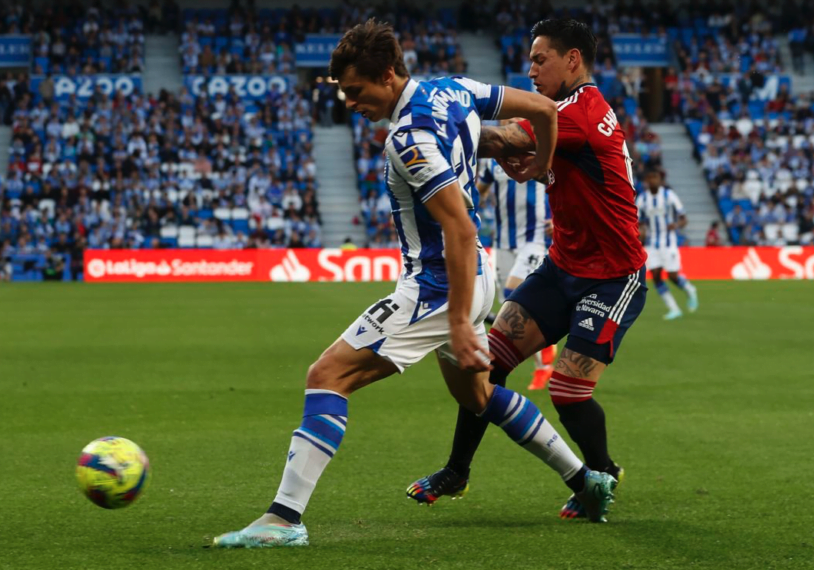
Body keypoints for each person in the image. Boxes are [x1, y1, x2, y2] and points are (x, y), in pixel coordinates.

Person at [212, 19, 616, 550]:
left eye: (357, 91)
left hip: (438, 285)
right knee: (479, 396)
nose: (351, 103)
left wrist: (459, 323)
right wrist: (540, 164)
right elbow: (542, 110)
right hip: (476, 274)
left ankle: (284, 519)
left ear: (387, 75)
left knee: (327, 375)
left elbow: (459, 225)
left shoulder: (411, 138)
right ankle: (585, 480)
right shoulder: (453, 88)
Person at [407, 18, 646, 521]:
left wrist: (434, 120)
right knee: (482, 364)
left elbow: (499, 140)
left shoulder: (579, 112)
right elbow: (528, 150)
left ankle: (600, 476)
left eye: (541, 60)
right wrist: (534, 159)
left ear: (572, 60)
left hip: (612, 275)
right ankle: (457, 471)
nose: (531, 70)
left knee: (567, 391)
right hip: (562, 267)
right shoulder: (565, 116)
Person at [476, 156, 556, 390]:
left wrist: (559, 217)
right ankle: (542, 362)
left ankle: (543, 364)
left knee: (515, 290)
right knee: (512, 308)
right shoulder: (492, 163)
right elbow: (479, 193)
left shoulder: (539, 155)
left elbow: (562, 184)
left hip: (535, 239)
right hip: (502, 242)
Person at [636, 168, 699, 320]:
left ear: (660, 180)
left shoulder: (669, 195)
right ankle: (674, 308)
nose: (653, 181)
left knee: (672, 276)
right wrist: (641, 232)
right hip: (651, 243)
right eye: (650, 179)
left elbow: (684, 218)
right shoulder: (642, 199)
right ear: (647, 182)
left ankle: (690, 289)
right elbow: (638, 221)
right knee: (656, 276)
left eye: (655, 178)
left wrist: (676, 225)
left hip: (668, 241)